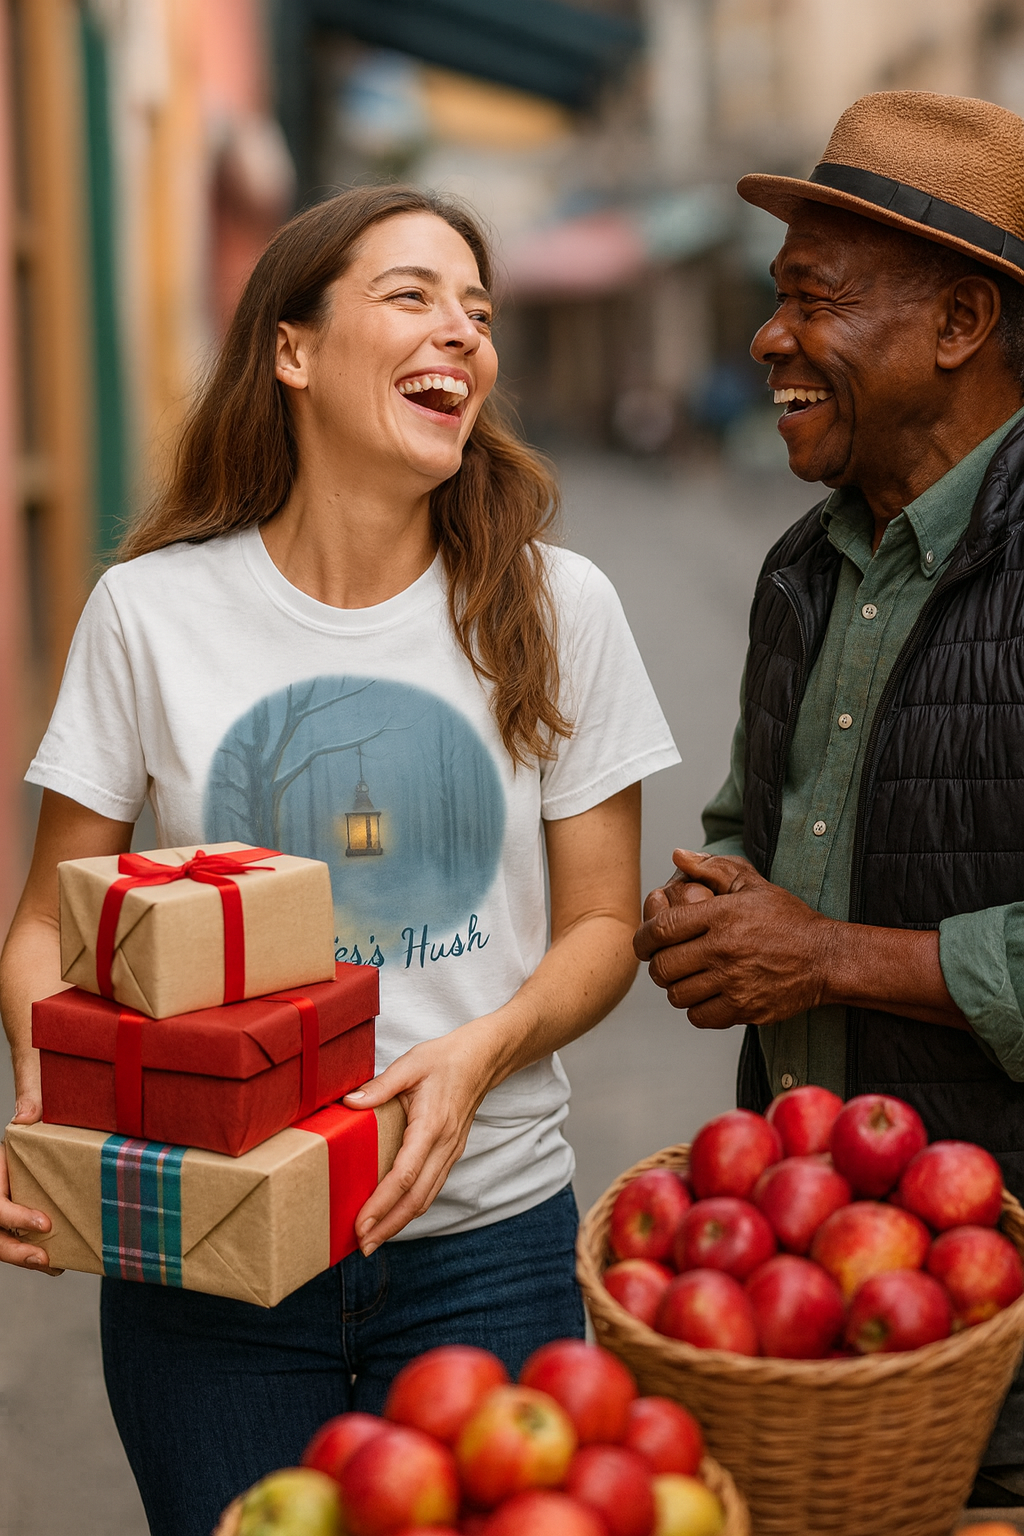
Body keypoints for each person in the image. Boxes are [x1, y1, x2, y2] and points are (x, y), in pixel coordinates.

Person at [0, 184, 679, 1536]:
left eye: (478, 309)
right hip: (208, 1245)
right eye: (412, 294)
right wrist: (54, 1089)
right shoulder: (149, 612)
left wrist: (479, 1053)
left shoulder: (560, 606)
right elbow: (42, 929)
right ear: (292, 350)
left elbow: (604, 926)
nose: (461, 331)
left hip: (485, 1241)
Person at [634, 90, 1024, 1506]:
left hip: (992, 1316)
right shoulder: (802, 566)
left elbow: (810, 942)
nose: (767, 339)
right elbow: (754, 826)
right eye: (775, 298)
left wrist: (822, 957)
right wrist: (710, 907)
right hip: (804, 1291)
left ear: (961, 322)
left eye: (813, 300)